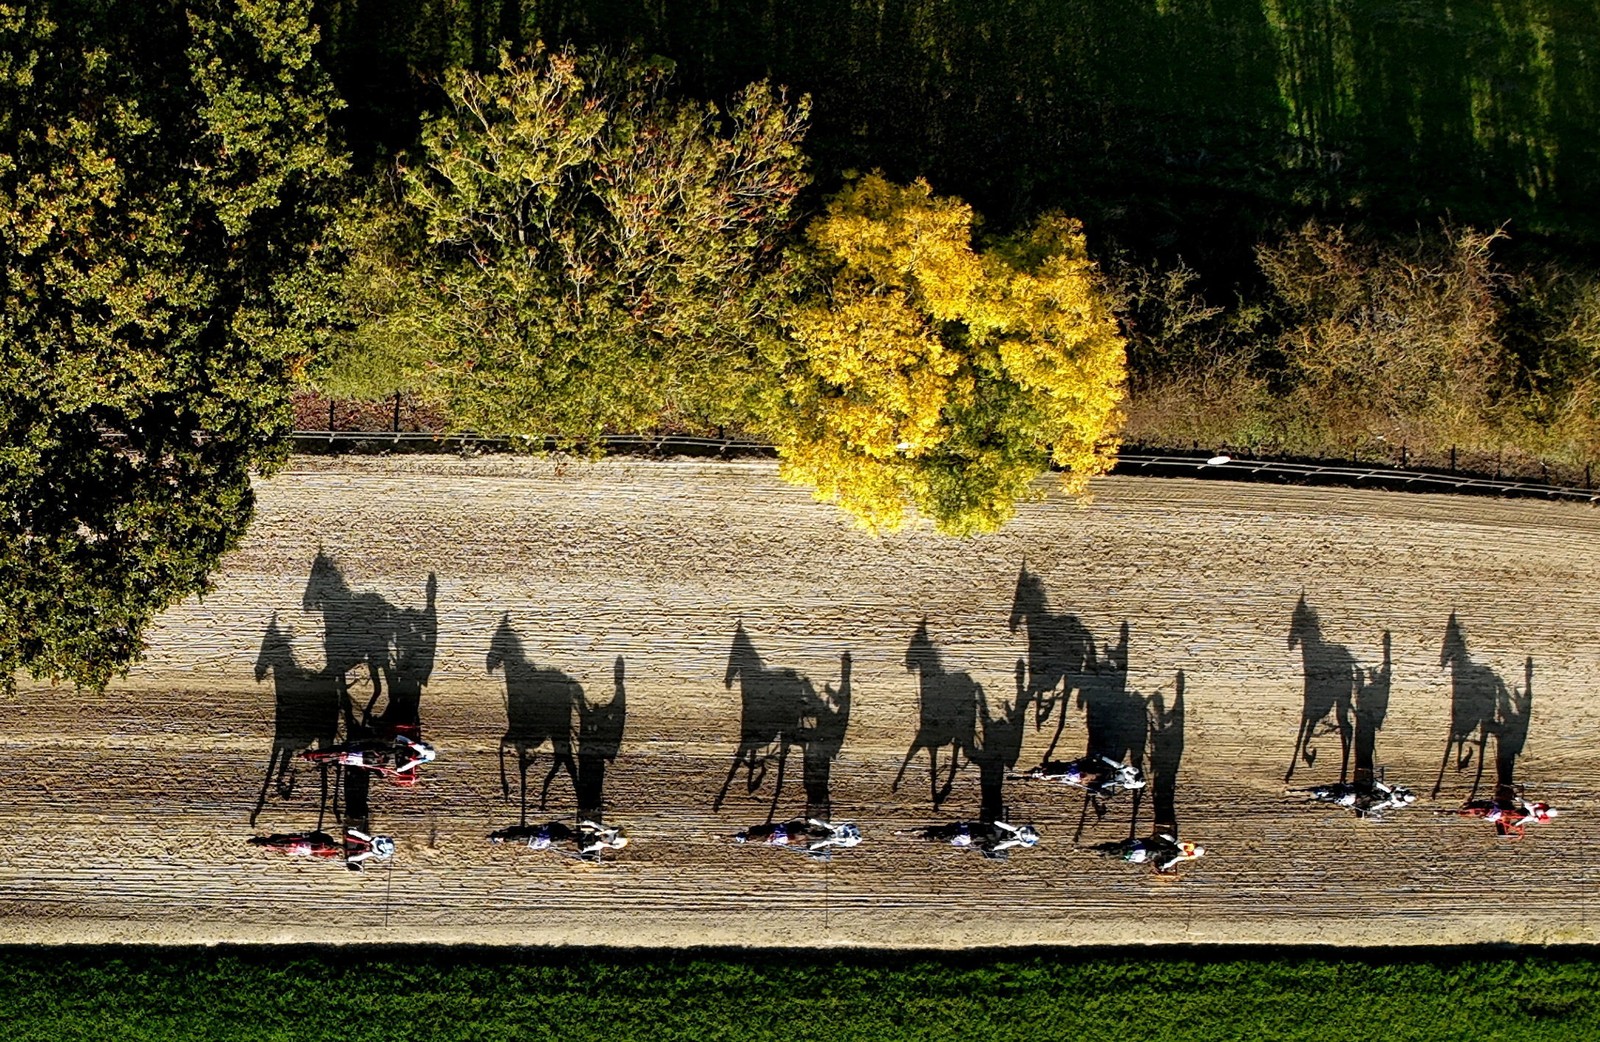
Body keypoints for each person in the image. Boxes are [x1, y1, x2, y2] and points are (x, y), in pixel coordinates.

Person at [900, 820, 1040, 858]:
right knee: (938, 836)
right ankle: (916, 835)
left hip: (968, 828)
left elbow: (1000, 824)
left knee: (939, 831)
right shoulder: (1009, 838)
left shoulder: (1008, 831)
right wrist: (994, 848)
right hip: (968, 836)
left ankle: (915, 833)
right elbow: (1004, 845)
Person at [489, 820, 628, 858]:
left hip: (548, 835)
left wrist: (583, 849)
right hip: (548, 835)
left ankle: (503, 837)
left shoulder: (600, 843)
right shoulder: (606, 833)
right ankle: (504, 837)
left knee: (523, 833)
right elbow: (600, 828)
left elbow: (590, 847)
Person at [1296, 779, 1416, 819]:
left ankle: (1325, 798)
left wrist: (1373, 807)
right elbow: (1389, 788)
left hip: (1371, 799)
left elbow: (1385, 804)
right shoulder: (1399, 791)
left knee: (1364, 801)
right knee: (1358, 787)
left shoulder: (1396, 802)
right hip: (1371, 792)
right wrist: (1379, 786)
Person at [733, 819, 862, 852]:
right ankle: (827, 837)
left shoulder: (754, 835)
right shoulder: (754, 833)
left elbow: (767, 832)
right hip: (783, 833)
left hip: (783, 834)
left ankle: (827, 838)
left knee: (809, 841)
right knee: (809, 836)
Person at [1096, 833, 1203, 873]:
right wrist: (1162, 867)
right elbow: (1169, 863)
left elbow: (1170, 838)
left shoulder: (1179, 846)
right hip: (1146, 855)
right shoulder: (1179, 855)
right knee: (1129, 859)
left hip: (1148, 847)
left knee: (1139, 841)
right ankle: (1107, 856)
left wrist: (1161, 835)